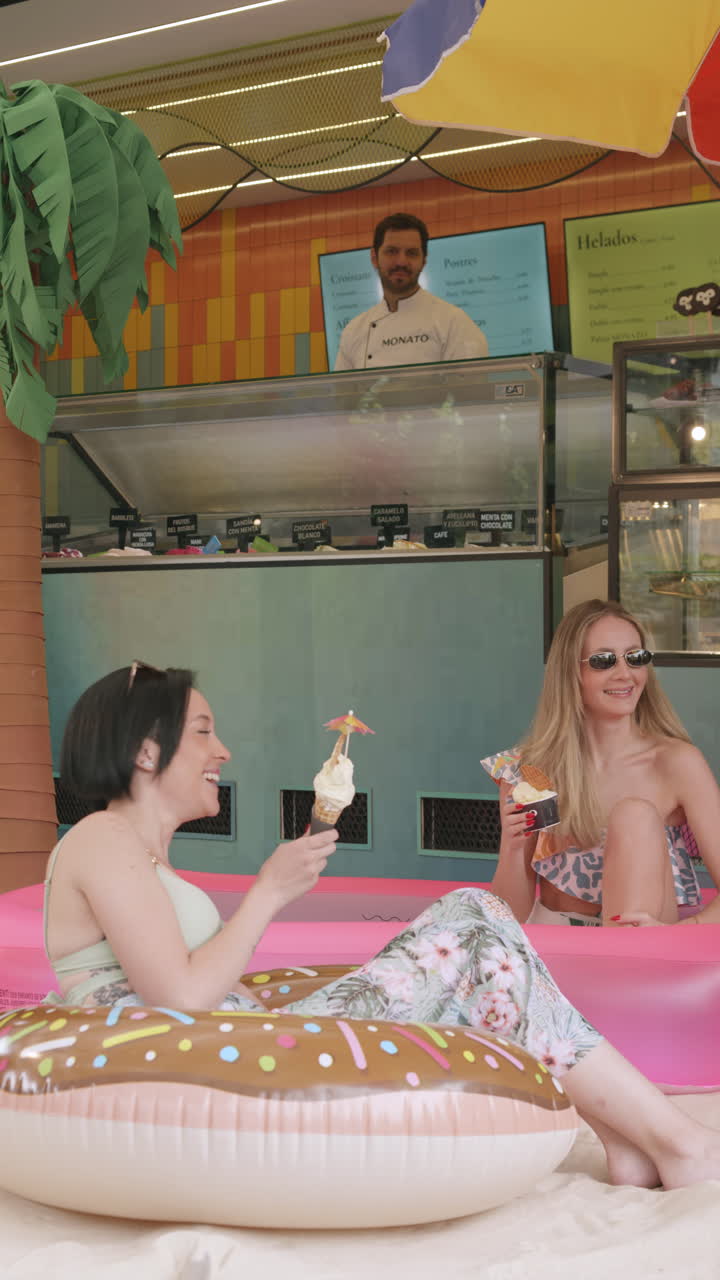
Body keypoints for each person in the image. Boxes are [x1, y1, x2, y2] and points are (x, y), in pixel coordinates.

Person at [42, 659, 720, 1192]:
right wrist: (267, 894)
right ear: (144, 751)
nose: (222, 749)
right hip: (248, 1057)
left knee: (479, 926)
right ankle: (669, 1138)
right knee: (475, 916)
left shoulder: (138, 853)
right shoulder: (103, 838)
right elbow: (179, 998)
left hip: (249, 1036)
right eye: (201, 731)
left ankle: (629, 1140)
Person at [483, 598, 720, 928]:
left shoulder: (677, 763)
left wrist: (680, 932)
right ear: (571, 672)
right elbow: (508, 919)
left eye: (635, 658)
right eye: (603, 661)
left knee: (635, 815)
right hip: (553, 944)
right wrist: (512, 846)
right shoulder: (531, 771)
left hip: (640, 951)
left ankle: (623, 960)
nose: (625, 674)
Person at [334, 212, 489, 371]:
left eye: (412, 253)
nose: (401, 261)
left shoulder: (454, 322)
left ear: (423, 261)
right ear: (374, 257)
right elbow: (342, 394)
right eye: (392, 251)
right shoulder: (354, 330)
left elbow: (471, 391)